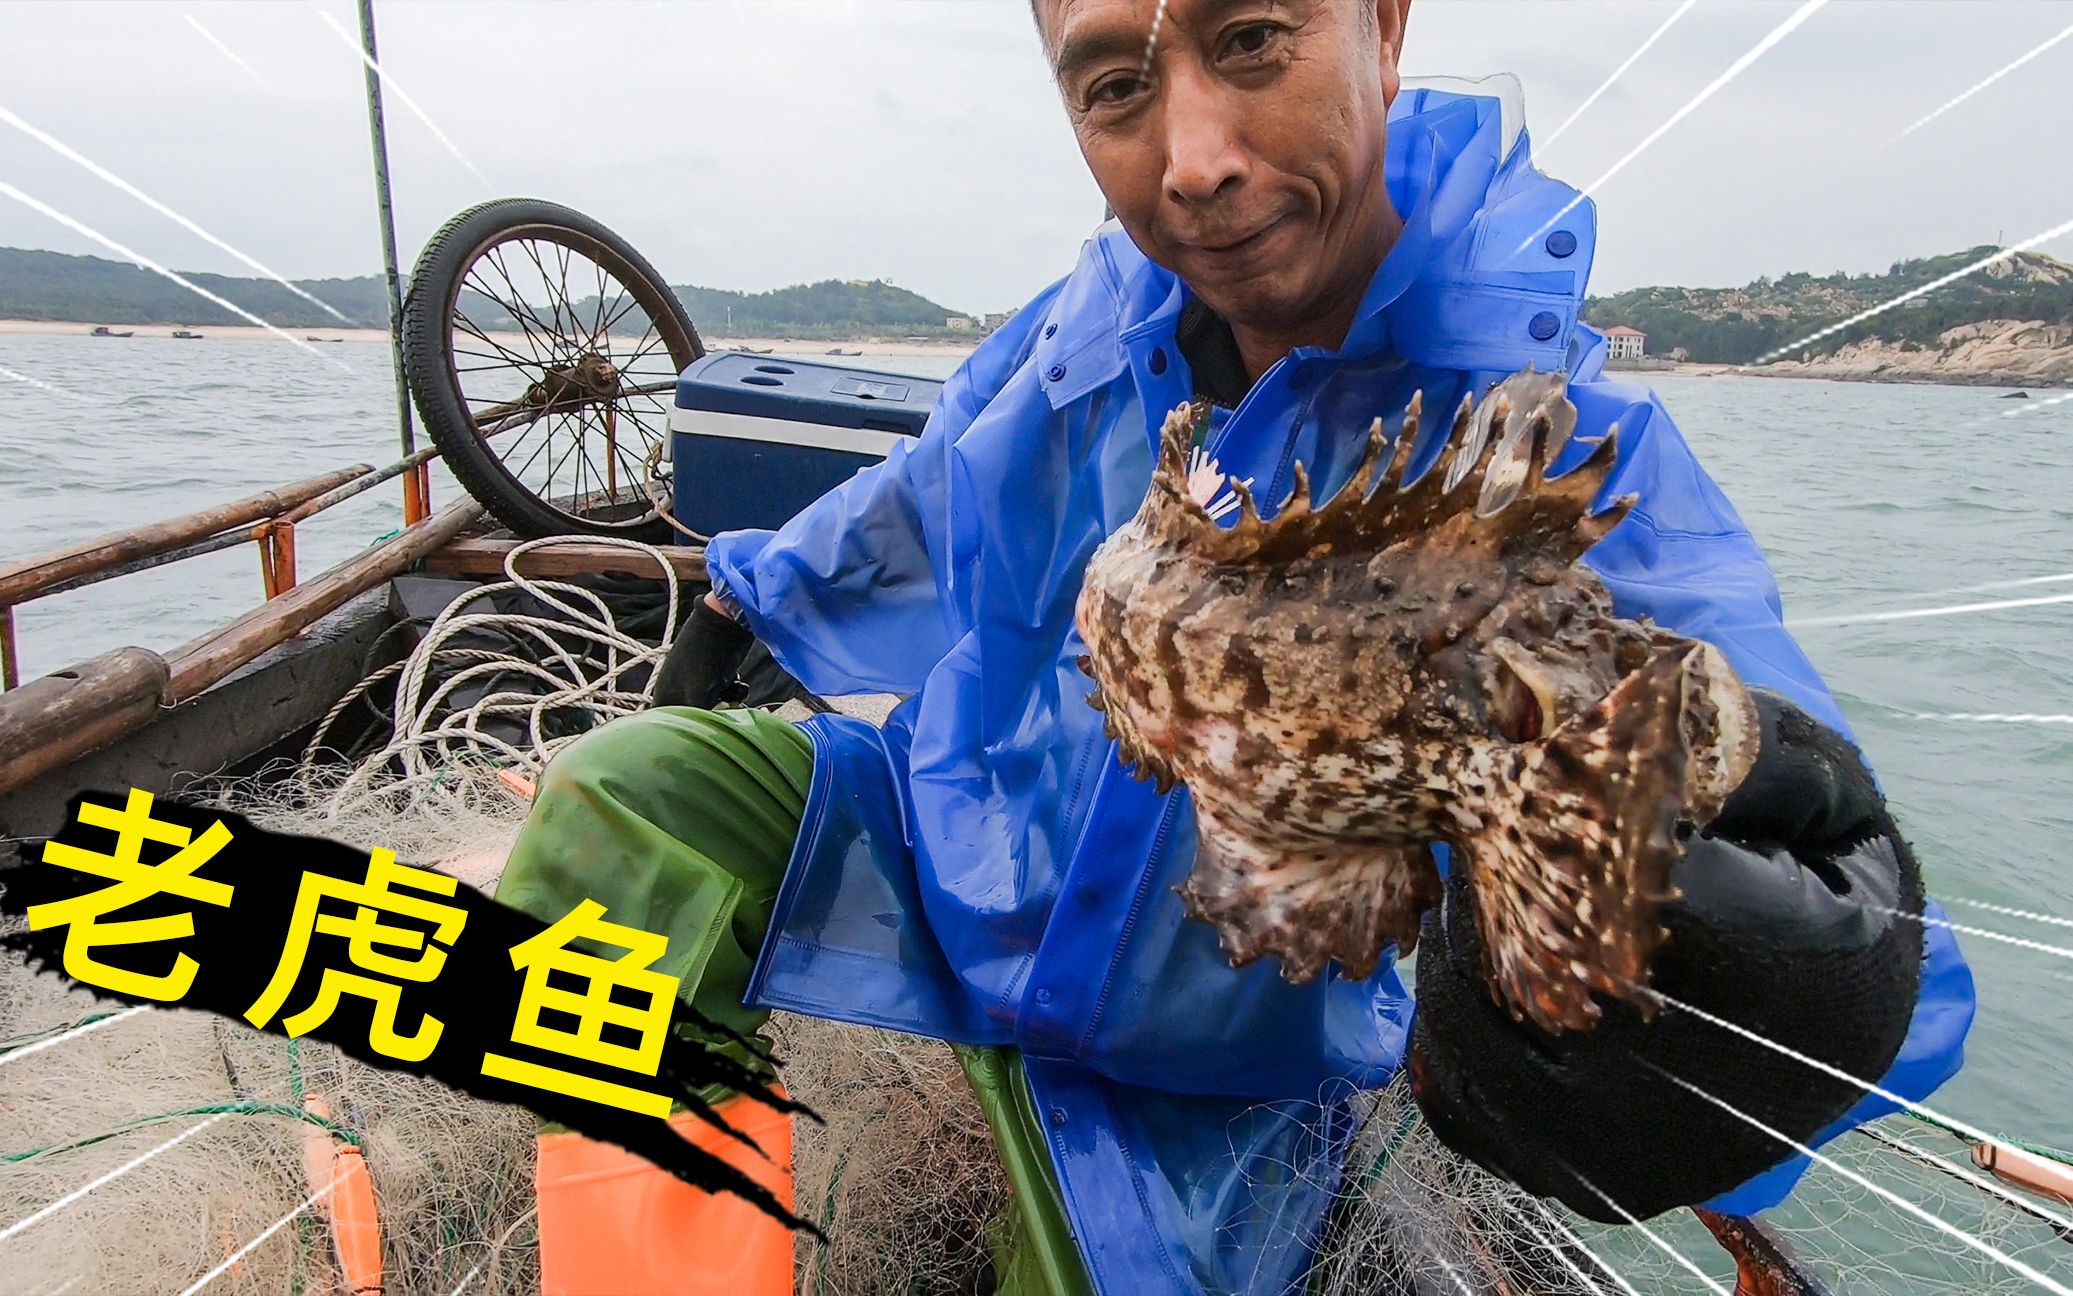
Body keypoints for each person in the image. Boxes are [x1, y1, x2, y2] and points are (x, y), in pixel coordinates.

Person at [498, 1, 1977, 1291]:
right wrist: (756, 599)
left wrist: (1783, 968)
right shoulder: (1081, 330)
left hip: (1207, 1076)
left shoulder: (1561, 462)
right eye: (1115, 87)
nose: (1192, 157)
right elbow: (934, 495)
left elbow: (1730, 717)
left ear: (1380, 28)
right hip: (938, 866)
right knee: (630, 794)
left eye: (1253, 39)